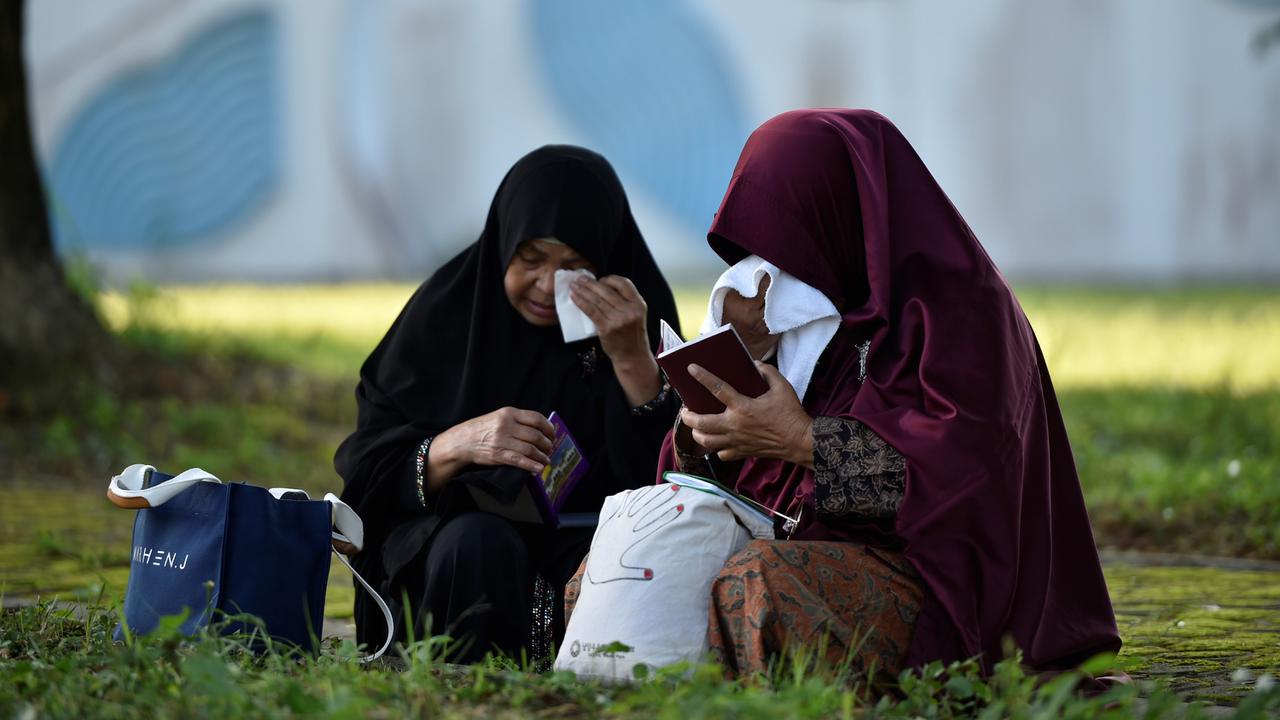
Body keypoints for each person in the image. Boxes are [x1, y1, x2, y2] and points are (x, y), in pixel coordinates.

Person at [651, 109, 1120, 680]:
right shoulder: (795, 322)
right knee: (636, 573)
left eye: (784, 243)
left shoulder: (959, 313)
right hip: (790, 547)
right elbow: (720, 491)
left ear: (844, 219)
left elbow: (962, 487)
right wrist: (712, 407)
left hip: (943, 590)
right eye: (752, 251)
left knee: (757, 584)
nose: (766, 274)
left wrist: (803, 439)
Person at [334, 145, 681, 662]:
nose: (546, 285)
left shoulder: (636, 322)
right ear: (503, 244)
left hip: (593, 542)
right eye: (530, 258)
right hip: (455, 544)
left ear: (608, 260)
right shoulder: (447, 318)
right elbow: (365, 471)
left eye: (575, 266)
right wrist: (453, 447)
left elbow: (673, 484)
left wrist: (632, 359)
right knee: (476, 543)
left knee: (625, 562)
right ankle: (465, 685)